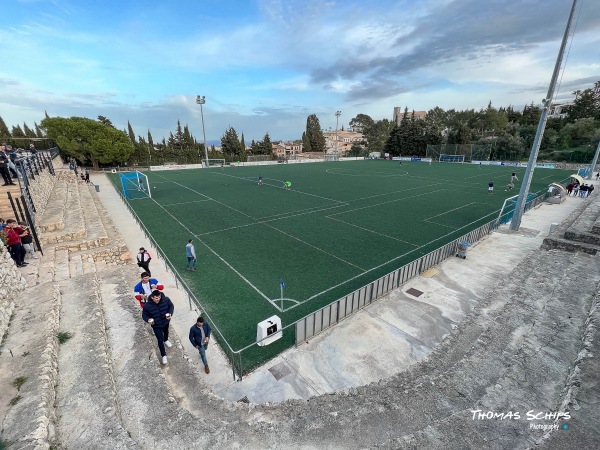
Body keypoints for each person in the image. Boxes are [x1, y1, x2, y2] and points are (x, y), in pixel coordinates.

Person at [142, 290, 174, 365]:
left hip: (165, 322)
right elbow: (144, 315)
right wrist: (148, 320)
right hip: (156, 325)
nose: (158, 299)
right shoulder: (147, 305)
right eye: (156, 298)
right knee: (160, 339)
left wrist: (170, 313)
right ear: (152, 297)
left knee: (166, 332)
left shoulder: (166, 299)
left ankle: (166, 340)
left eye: (159, 297)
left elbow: (171, 306)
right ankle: (163, 355)